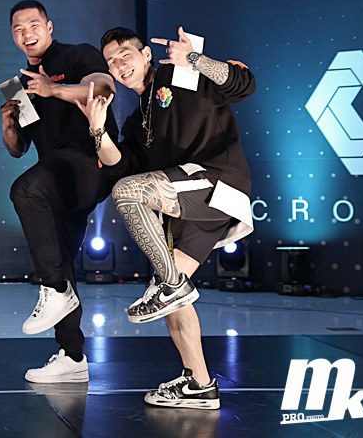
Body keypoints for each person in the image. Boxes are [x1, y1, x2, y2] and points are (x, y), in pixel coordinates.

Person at [79, 25, 255, 409]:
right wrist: (97, 130)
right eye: (111, 61)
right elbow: (120, 164)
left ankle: (173, 286)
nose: (119, 64)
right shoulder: (135, 120)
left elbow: (243, 84)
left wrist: (194, 58)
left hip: (216, 184)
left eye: (125, 54)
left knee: (128, 194)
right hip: (186, 205)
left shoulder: (180, 75)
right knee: (169, 291)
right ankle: (199, 384)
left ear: (146, 55)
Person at [1, 0, 118, 383]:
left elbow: (104, 87)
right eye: (18, 29)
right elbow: (19, 149)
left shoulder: (76, 54)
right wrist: (9, 127)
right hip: (56, 177)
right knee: (60, 256)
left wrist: (55, 89)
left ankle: (52, 287)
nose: (27, 33)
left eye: (33, 25)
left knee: (24, 190)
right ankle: (72, 356)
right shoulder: (20, 84)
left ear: (49, 27)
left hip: (90, 159)